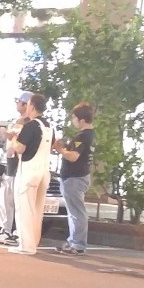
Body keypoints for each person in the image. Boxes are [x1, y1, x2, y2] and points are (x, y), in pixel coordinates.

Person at [7, 92, 53, 255]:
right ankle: (34, 241)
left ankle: (26, 245)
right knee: (37, 210)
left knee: (25, 209)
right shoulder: (49, 127)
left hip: (28, 172)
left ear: (32, 106)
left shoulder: (31, 125)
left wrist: (13, 138)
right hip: (43, 171)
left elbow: (20, 148)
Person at [52, 102, 95, 254]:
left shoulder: (83, 136)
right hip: (78, 176)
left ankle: (78, 244)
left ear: (81, 119)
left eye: (74, 118)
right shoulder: (89, 135)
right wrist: (65, 147)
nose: (73, 120)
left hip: (74, 178)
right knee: (74, 212)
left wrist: (60, 150)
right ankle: (73, 242)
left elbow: (73, 156)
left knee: (76, 213)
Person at [0, 93, 29, 245]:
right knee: (5, 200)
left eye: (18, 101)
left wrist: (7, 135)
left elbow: (17, 142)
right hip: (11, 165)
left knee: (11, 201)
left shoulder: (28, 123)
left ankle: (13, 232)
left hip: (16, 167)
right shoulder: (22, 121)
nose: (16, 104)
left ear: (26, 104)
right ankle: (7, 231)